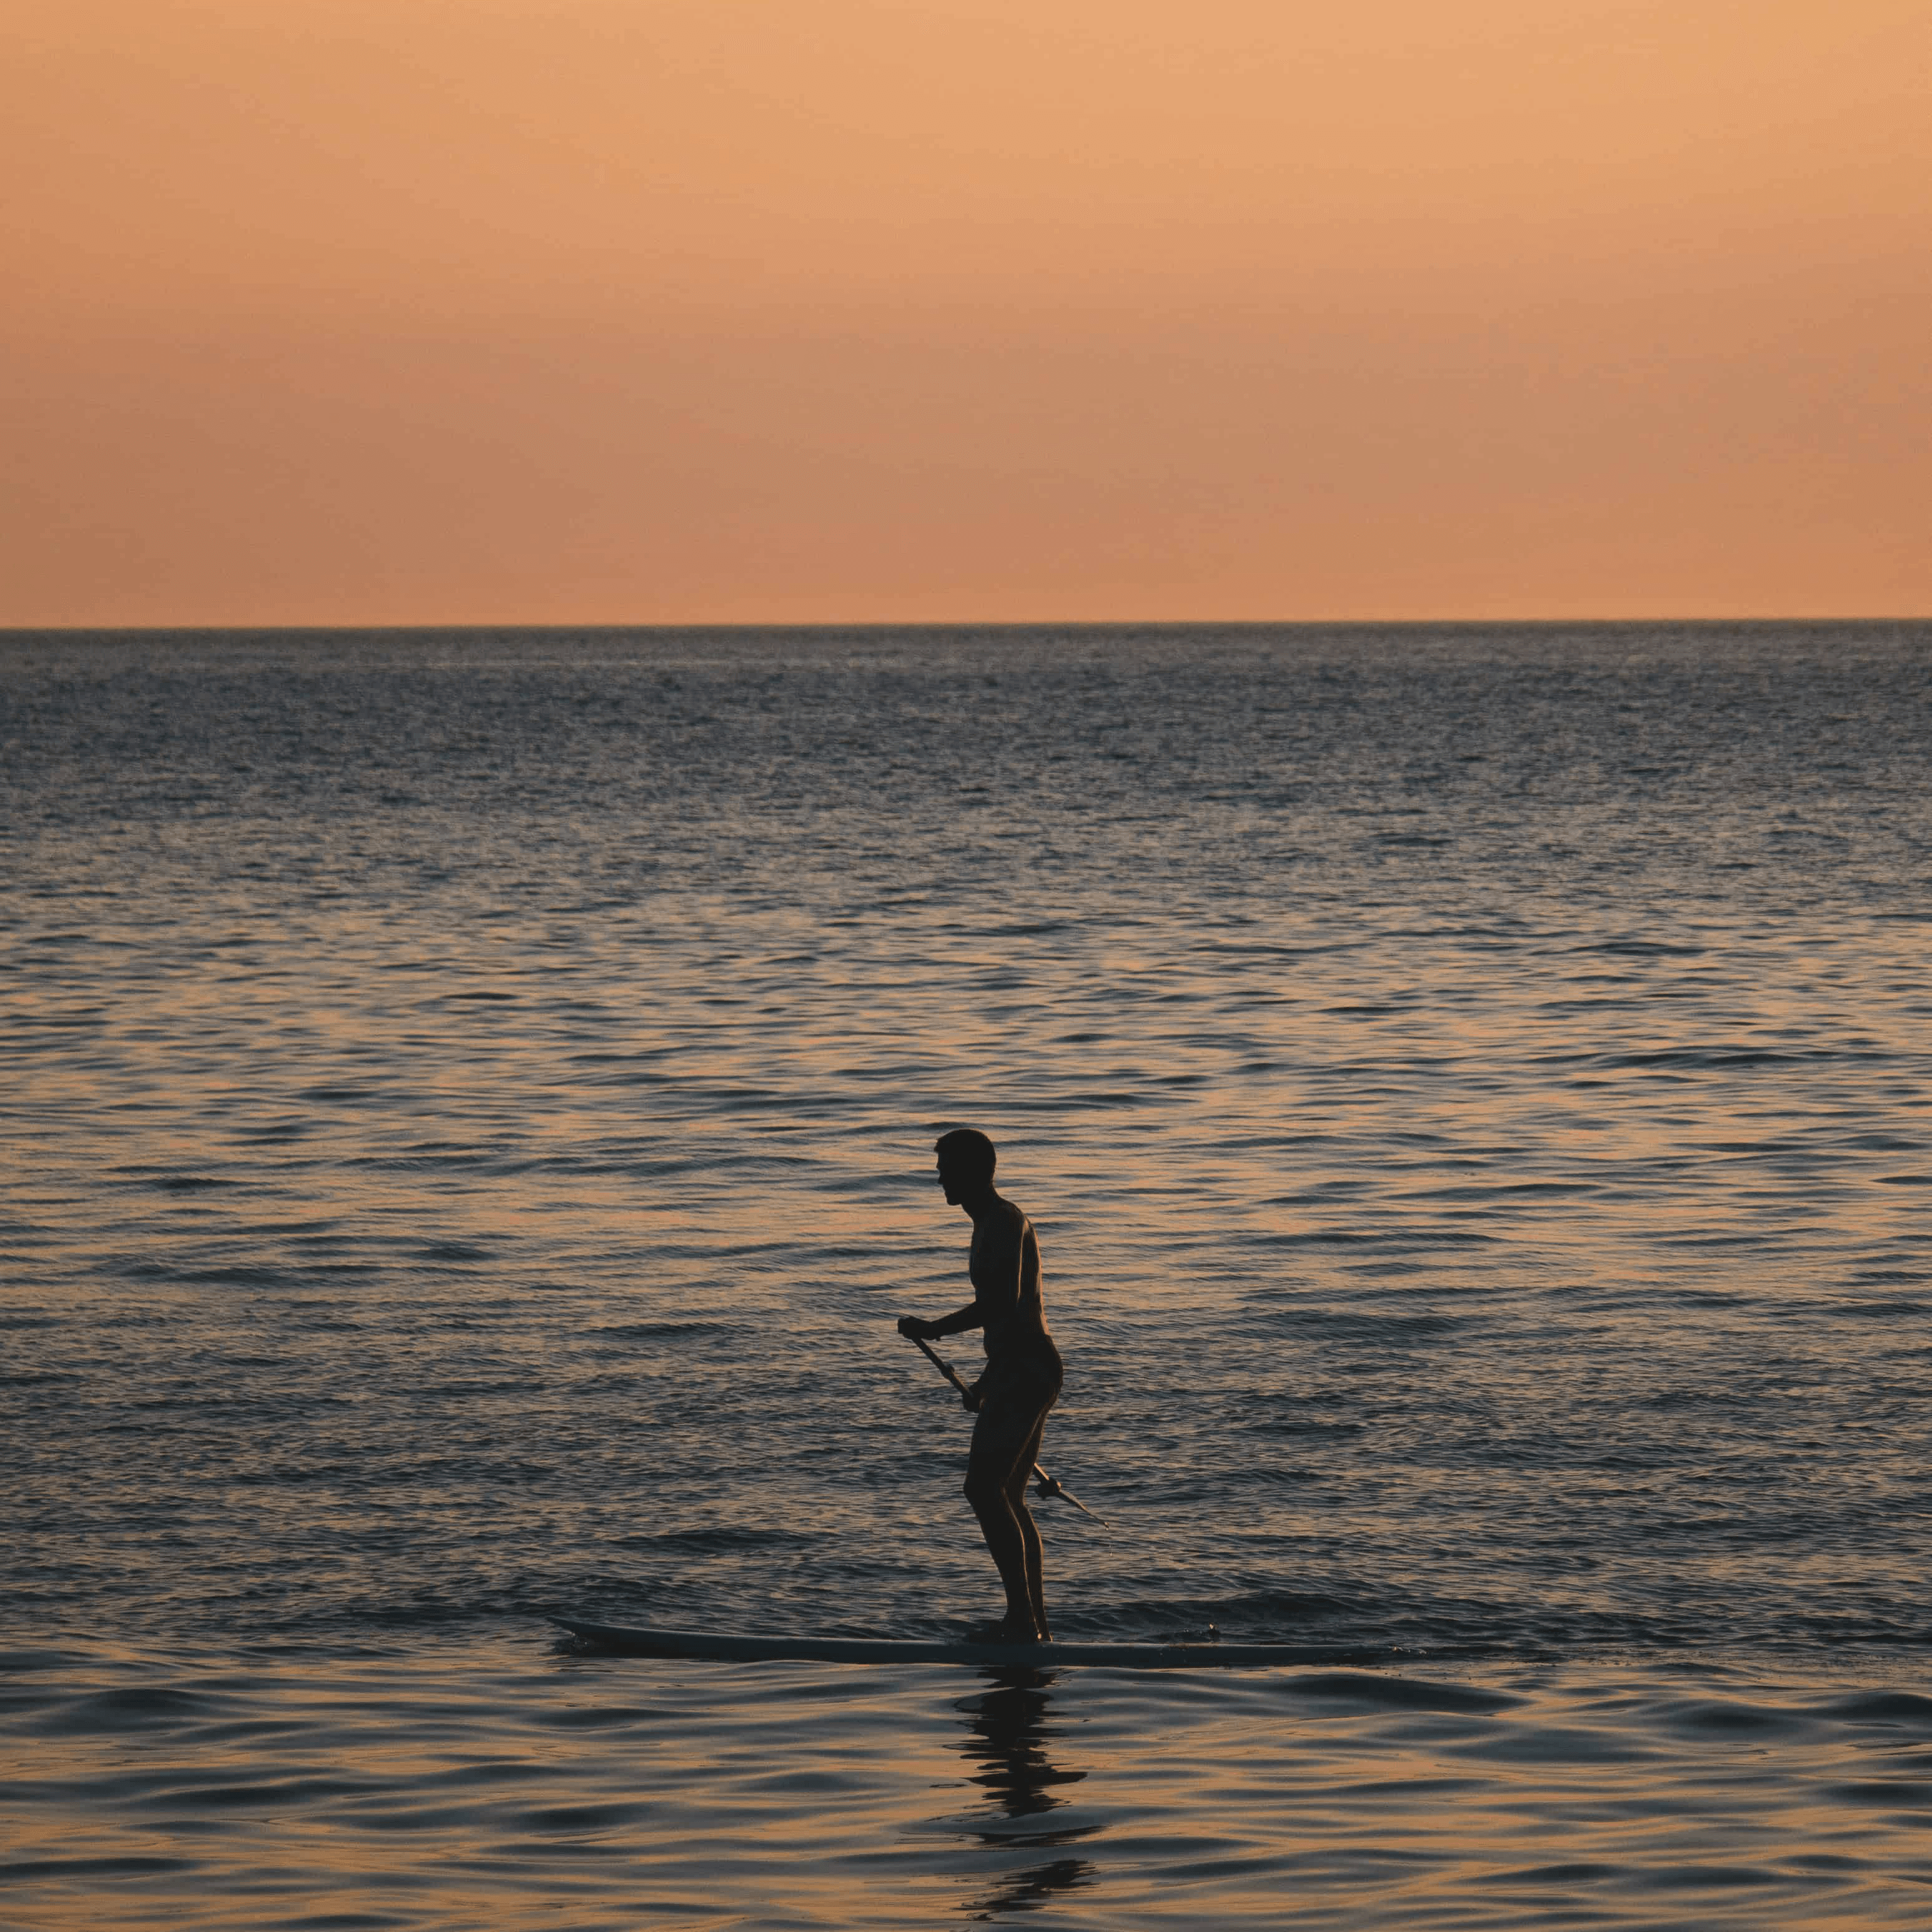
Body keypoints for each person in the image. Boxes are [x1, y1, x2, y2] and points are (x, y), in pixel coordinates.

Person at [899, 1128, 1065, 1643]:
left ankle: (1021, 1622)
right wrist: (986, 1382)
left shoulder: (1003, 1221)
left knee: (983, 1489)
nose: (939, 1177)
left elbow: (1003, 1304)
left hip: (1029, 1369)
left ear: (973, 1171)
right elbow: (1007, 1326)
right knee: (1010, 1496)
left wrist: (933, 1329)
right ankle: (1035, 1625)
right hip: (1018, 1367)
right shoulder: (988, 1224)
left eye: (946, 1167)